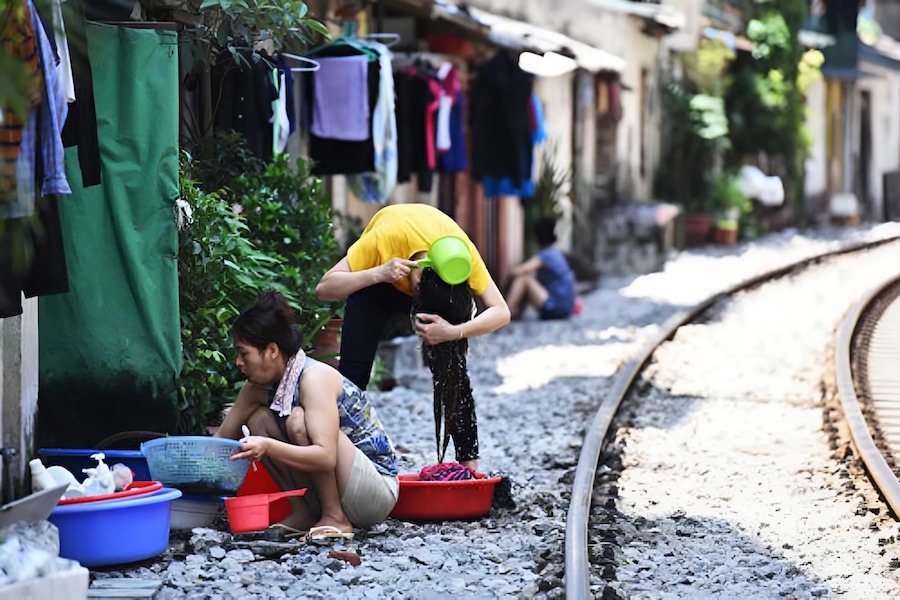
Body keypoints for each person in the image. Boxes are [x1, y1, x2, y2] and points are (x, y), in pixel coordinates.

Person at [316, 203, 511, 470]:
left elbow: (501, 311)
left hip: (425, 281)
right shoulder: (385, 239)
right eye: (418, 287)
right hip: (380, 280)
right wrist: (379, 272)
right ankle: (336, 458)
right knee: (353, 376)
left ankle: (470, 466)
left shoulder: (461, 253)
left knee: (452, 367)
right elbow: (324, 288)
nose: (415, 295)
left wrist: (452, 331)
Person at [216, 290, 399, 542]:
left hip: (374, 492)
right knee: (258, 420)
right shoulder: (255, 388)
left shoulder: (314, 377)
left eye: (243, 353)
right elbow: (220, 442)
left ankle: (335, 517)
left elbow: (325, 457)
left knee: (298, 420)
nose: (238, 362)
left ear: (271, 350)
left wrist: (268, 446)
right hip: (341, 484)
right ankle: (303, 512)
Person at [505, 217, 576, 321]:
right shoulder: (556, 253)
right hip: (566, 308)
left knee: (524, 279)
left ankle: (505, 313)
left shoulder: (545, 256)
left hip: (555, 307)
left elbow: (519, 271)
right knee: (530, 276)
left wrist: (509, 270)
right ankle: (516, 314)